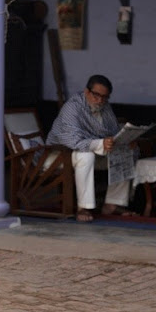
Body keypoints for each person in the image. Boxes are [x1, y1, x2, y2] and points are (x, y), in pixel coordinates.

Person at [46, 74, 137, 222]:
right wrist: (100, 144)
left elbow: (113, 131)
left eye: (104, 97)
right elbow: (73, 140)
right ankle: (83, 207)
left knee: (125, 152)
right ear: (87, 91)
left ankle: (112, 204)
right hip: (61, 153)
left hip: (92, 150)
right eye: (96, 95)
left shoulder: (105, 107)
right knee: (85, 155)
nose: (100, 100)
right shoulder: (72, 107)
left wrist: (125, 140)